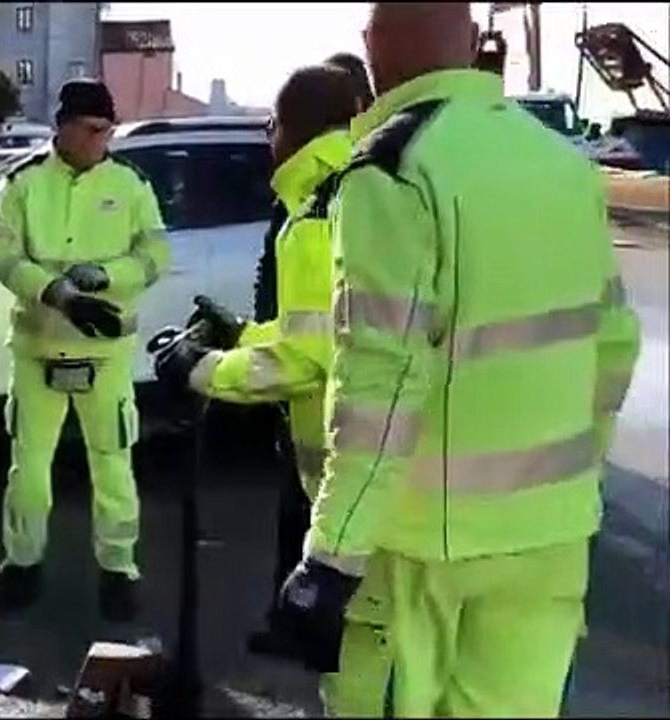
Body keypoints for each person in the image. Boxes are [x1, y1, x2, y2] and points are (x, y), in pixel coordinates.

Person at [275, 3, 641, 717]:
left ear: (370, 51)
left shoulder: (394, 171)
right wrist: (575, 480)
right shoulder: (562, 165)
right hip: (551, 536)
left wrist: (330, 559)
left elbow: (378, 387)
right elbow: (614, 348)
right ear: (472, 44)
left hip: (427, 547)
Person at [152, 64, 389, 716]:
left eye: (276, 123)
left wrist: (203, 370)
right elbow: (317, 329)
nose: (270, 136)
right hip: (383, 476)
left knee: (364, 676)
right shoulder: (361, 190)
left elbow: (307, 359)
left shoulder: (318, 213)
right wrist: (236, 336)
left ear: (298, 129)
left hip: (353, 477)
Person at [0, 78, 170, 623]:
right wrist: (58, 292)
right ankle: (21, 566)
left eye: (107, 130)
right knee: (29, 469)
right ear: (63, 127)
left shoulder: (130, 184)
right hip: (39, 347)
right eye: (91, 130)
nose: (101, 140)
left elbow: (156, 252)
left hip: (106, 351)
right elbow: (2, 256)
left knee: (113, 464)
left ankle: (118, 571)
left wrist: (107, 276)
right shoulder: (24, 184)